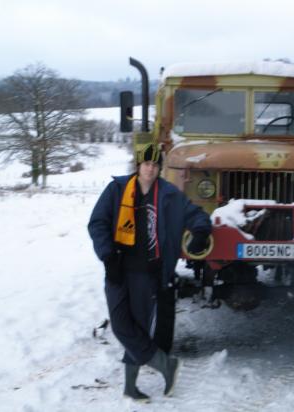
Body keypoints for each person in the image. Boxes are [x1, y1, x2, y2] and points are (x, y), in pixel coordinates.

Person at [87, 143, 211, 402]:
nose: (150, 169)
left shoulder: (169, 195)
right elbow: (97, 222)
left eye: (155, 165)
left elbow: (196, 214)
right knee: (121, 324)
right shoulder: (118, 189)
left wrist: (201, 231)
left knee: (139, 327)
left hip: (148, 272)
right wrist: (107, 254)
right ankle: (166, 365)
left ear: (159, 168)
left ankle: (130, 386)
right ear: (138, 165)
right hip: (118, 268)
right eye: (146, 164)